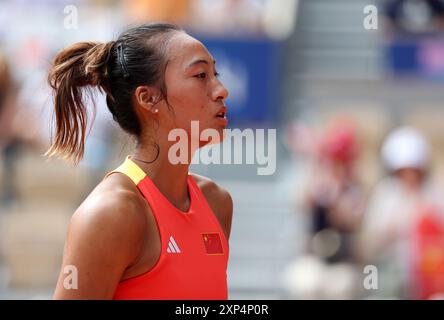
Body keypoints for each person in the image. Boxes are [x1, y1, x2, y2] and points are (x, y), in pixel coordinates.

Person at [50, 23, 233, 299]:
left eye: (215, 74)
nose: (221, 90)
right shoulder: (112, 213)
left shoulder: (217, 202)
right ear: (148, 98)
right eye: (200, 75)